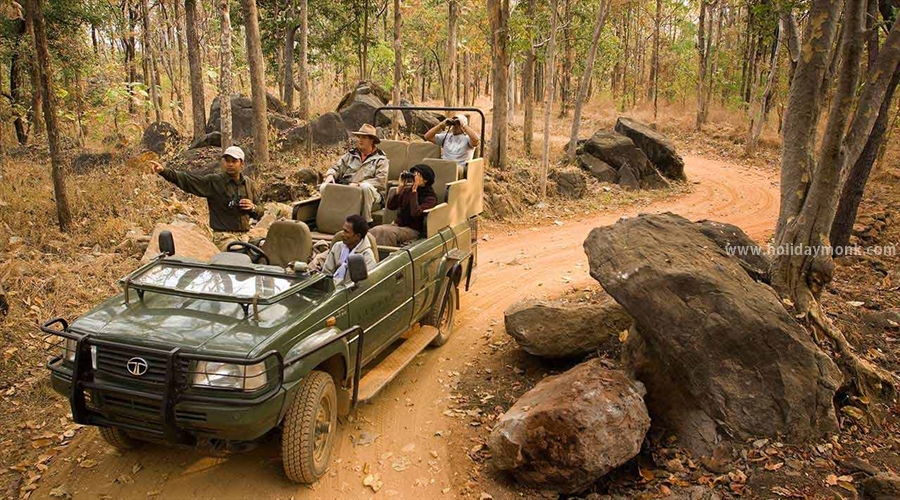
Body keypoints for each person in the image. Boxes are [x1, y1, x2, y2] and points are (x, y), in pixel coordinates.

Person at [150, 145, 263, 250]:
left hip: (245, 236)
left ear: (241, 164)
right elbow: (189, 181)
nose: (230, 164)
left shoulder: (249, 184)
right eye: (227, 161)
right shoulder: (215, 181)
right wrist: (164, 171)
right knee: (239, 254)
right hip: (224, 237)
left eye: (234, 161)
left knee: (266, 249)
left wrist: (253, 207)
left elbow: (260, 211)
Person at [321, 123, 389, 223]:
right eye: (359, 137)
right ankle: (327, 220)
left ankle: (366, 222)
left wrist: (358, 184)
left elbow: (381, 181)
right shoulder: (351, 154)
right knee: (324, 186)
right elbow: (337, 167)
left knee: (365, 187)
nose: (360, 140)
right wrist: (330, 175)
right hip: (348, 187)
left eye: (364, 137)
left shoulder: (381, 159)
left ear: (372, 140)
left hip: (372, 193)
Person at [370, 164, 437, 246]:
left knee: (384, 232)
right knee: (373, 231)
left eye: (418, 175)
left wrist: (414, 191)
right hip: (398, 225)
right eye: (414, 174)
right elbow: (391, 206)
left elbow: (415, 213)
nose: (414, 177)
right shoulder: (407, 190)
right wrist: (399, 189)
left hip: (414, 230)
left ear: (425, 180)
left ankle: (383, 257)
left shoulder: (430, 198)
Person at [322, 214, 377, 284]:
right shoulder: (337, 247)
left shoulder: (367, 257)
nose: (342, 234)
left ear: (357, 236)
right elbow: (326, 273)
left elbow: (364, 285)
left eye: (346, 232)